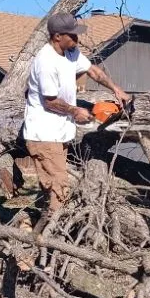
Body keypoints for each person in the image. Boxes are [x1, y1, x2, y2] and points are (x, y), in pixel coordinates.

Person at [23, 12, 131, 215]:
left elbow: (93, 71)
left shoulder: (71, 52)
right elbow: (50, 101)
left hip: (58, 132)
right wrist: (75, 111)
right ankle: (54, 237)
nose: (76, 39)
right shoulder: (46, 62)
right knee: (59, 189)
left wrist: (116, 89)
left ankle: (47, 224)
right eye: (72, 35)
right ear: (57, 36)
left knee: (54, 188)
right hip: (44, 134)